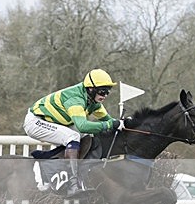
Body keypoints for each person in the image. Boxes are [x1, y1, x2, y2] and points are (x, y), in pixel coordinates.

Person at [23, 68, 125, 196]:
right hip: (35, 122)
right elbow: (82, 126)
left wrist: (123, 124)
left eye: (108, 92)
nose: (105, 95)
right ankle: (72, 184)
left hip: (52, 122)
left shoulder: (93, 101)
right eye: (102, 91)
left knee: (87, 136)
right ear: (91, 89)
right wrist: (110, 124)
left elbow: (108, 121)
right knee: (73, 136)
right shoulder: (75, 98)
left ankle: (46, 158)